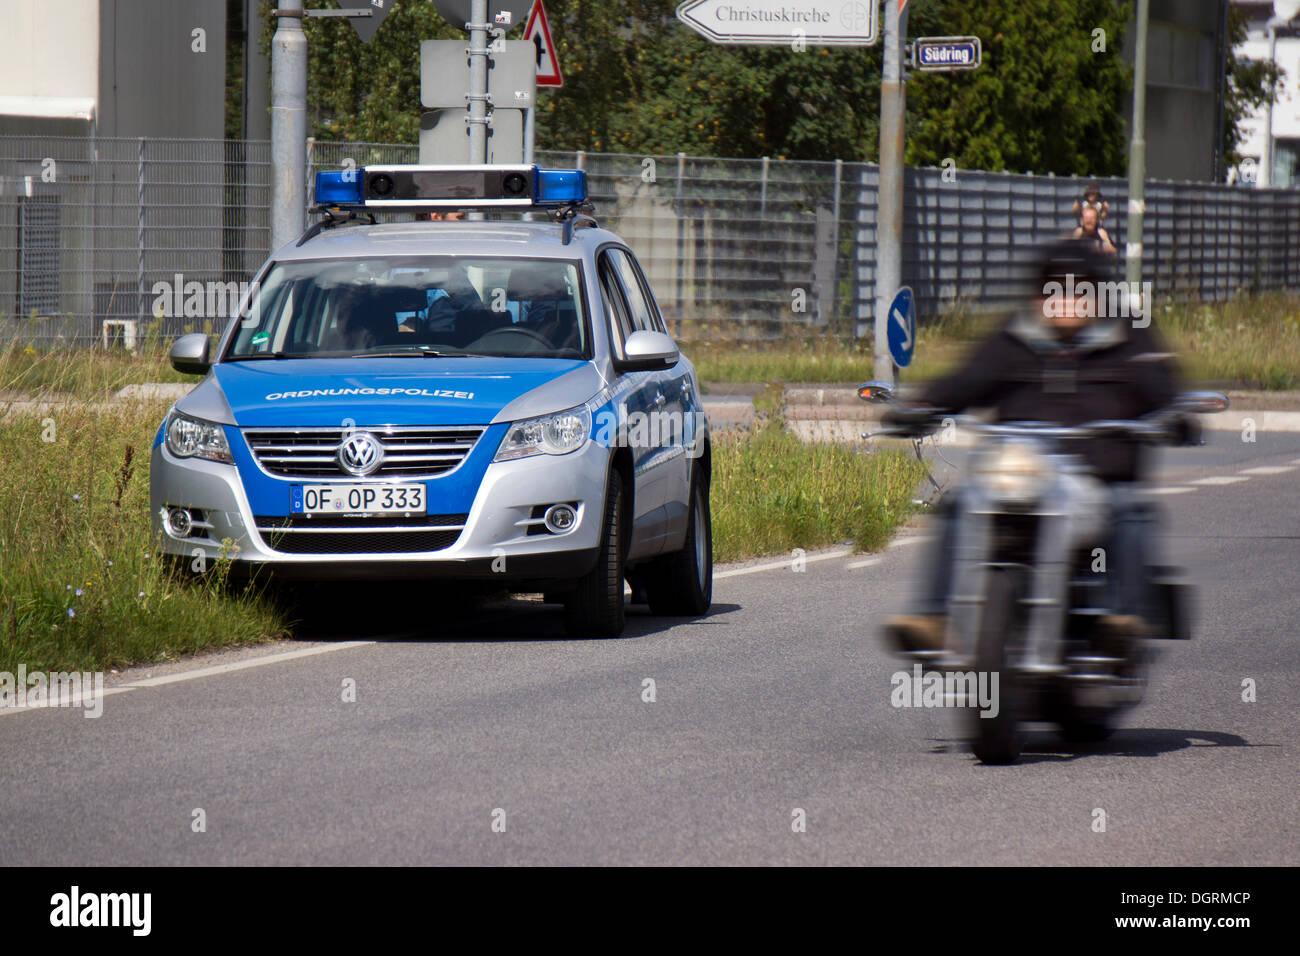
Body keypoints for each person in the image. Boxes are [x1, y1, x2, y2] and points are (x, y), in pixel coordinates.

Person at [883, 239, 1183, 654]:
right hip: (1023, 475)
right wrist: (921, 406)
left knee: (1129, 509)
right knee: (959, 502)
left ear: (1096, 294)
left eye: (1077, 289)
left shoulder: (1128, 337)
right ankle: (933, 617)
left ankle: (1122, 617)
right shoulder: (1015, 337)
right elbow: (967, 380)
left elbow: (1163, 389)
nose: (1063, 299)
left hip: (1101, 477)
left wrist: (1176, 414)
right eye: (1051, 288)